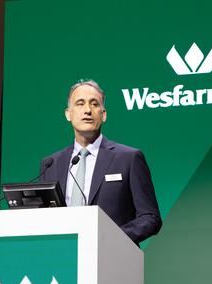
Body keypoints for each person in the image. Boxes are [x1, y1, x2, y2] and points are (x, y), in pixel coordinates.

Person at [40, 79, 162, 244]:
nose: (87, 110)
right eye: (80, 103)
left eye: (94, 104)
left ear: (103, 114)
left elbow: (150, 217)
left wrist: (111, 237)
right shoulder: (51, 164)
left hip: (112, 256)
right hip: (62, 257)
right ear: (68, 114)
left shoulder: (128, 158)